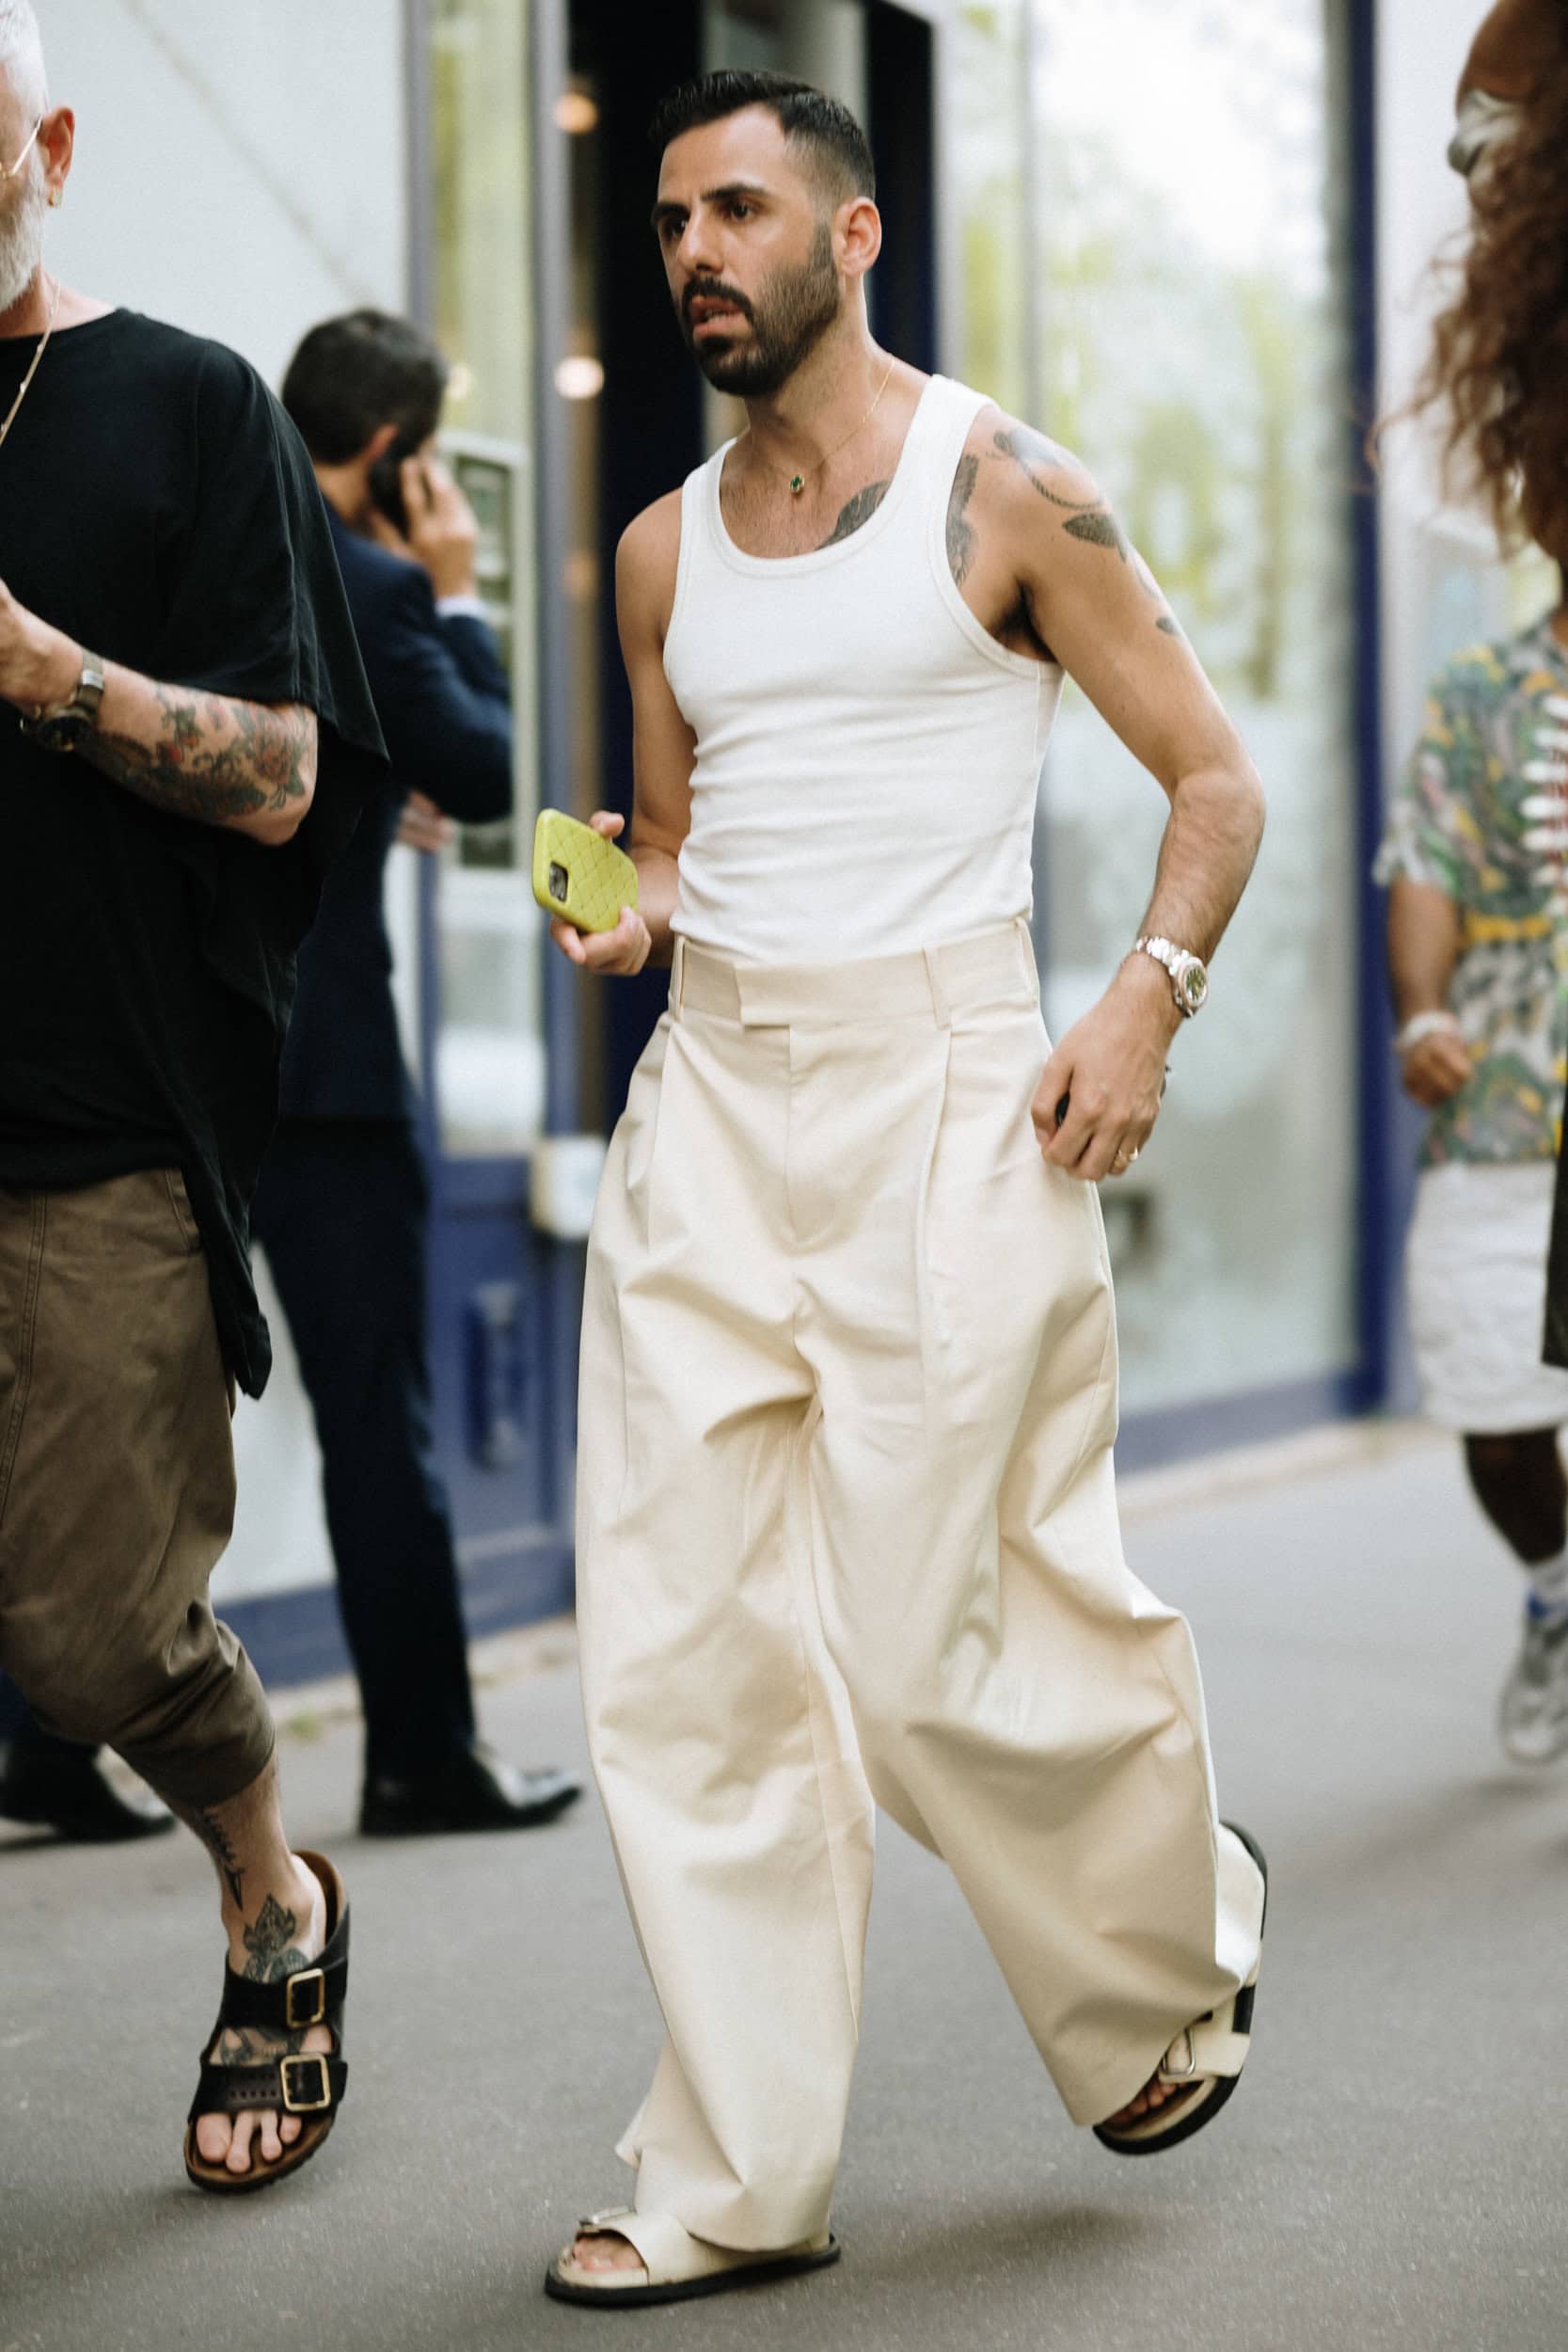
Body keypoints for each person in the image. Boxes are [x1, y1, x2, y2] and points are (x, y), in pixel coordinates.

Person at [541, 72, 1270, 2310]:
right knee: (685, 1651)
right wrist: (633, 914)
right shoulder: (659, 549)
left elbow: (1217, 782)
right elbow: (681, 844)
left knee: (932, 1636)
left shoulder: (1006, 487)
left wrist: (1142, 1003)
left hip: (949, 1094)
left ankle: (1171, 1929)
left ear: (853, 235)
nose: (696, 250)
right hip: (712, 1103)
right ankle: (734, 2171)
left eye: (740, 208)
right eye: (674, 217)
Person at [0, 311, 583, 1841]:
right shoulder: (373, 587)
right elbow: (487, 765)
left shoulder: (181, 538)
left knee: (75, 1402)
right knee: (375, 1417)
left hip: (147, 1055)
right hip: (317, 1080)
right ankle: (421, 1752)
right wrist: (456, 594)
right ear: (393, 457)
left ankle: (48, 1740)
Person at [0, 2, 386, 2190]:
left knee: (88, 1636)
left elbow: (289, 776)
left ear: (51, 143)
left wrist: (40, 669)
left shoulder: (186, 402)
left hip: (99, 1128)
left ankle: (269, 1888)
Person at [1378, 0, 1568, 1764]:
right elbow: (1424, 855)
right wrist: (1422, 1011)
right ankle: (1554, 1582)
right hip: (1508, 1108)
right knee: (1497, 1407)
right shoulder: (1484, 693)